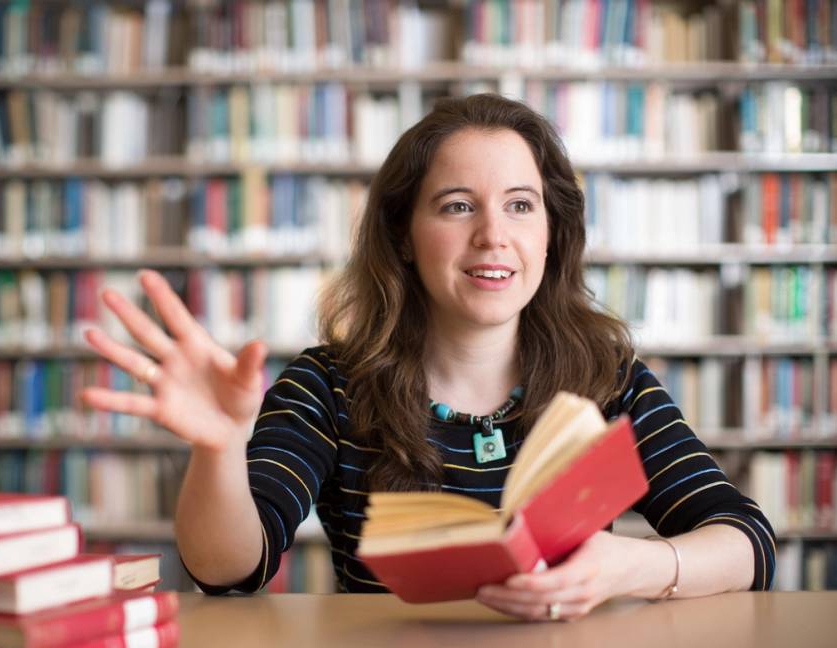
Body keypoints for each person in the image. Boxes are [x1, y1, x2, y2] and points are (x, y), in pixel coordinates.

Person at [81, 94, 776, 621]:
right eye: (456, 206)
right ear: (405, 235)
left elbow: (748, 541)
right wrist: (221, 447)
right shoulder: (328, 385)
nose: (493, 236)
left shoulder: (609, 379)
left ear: (552, 234)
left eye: (521, 205)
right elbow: (229, 570)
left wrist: (632, 567)